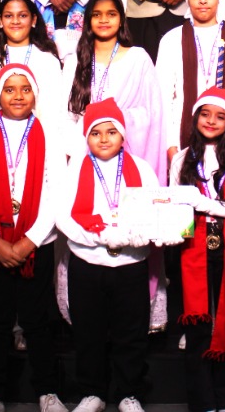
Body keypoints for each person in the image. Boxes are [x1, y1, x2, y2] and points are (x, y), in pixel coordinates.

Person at [0, 64, 66, 412]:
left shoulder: (48, 133)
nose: (18, 96)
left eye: (25, 89)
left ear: (35, 94)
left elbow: (57, 192)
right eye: (10, 89)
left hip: (37, 242)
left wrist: (29, 241)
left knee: (37, 320)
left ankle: (47, 391)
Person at [54, 98, 162, 412]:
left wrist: (141, 234)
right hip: (88, 263)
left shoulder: (141, 168)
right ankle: (93, 393)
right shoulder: (75, 168)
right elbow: (63, 217)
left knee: (131, 333)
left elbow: (155, 212)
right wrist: (99, 237)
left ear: (123, 135)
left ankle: (129, 393)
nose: (104, 139)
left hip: (130, 264)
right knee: (88, 331)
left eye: (111, 132)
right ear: (86, 136)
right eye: (96, 132)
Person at [170, 87, 225, 412]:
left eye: (219, 117)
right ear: (195, 118)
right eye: (205, 115)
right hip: (192, 247)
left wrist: (207, 205)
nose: (211, 121)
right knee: (197, 329)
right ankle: (203, 402)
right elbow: (177, 210)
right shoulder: (181, 158)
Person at [63, 0, 167, 181]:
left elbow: (153, 113)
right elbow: (66, 114)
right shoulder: (75, 61)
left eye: (111, 14)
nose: (104, 20)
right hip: (83, 151)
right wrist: (74, 148)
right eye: (97, 15)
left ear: (121, 20)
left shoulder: (138, 58)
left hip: (127, 154)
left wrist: (115, 119)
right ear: (88, 21)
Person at [156, 0, 225, 162]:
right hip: (183, 132)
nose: (202, 0)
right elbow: (163, 96)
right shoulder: (172, 39)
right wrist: (170, 144)